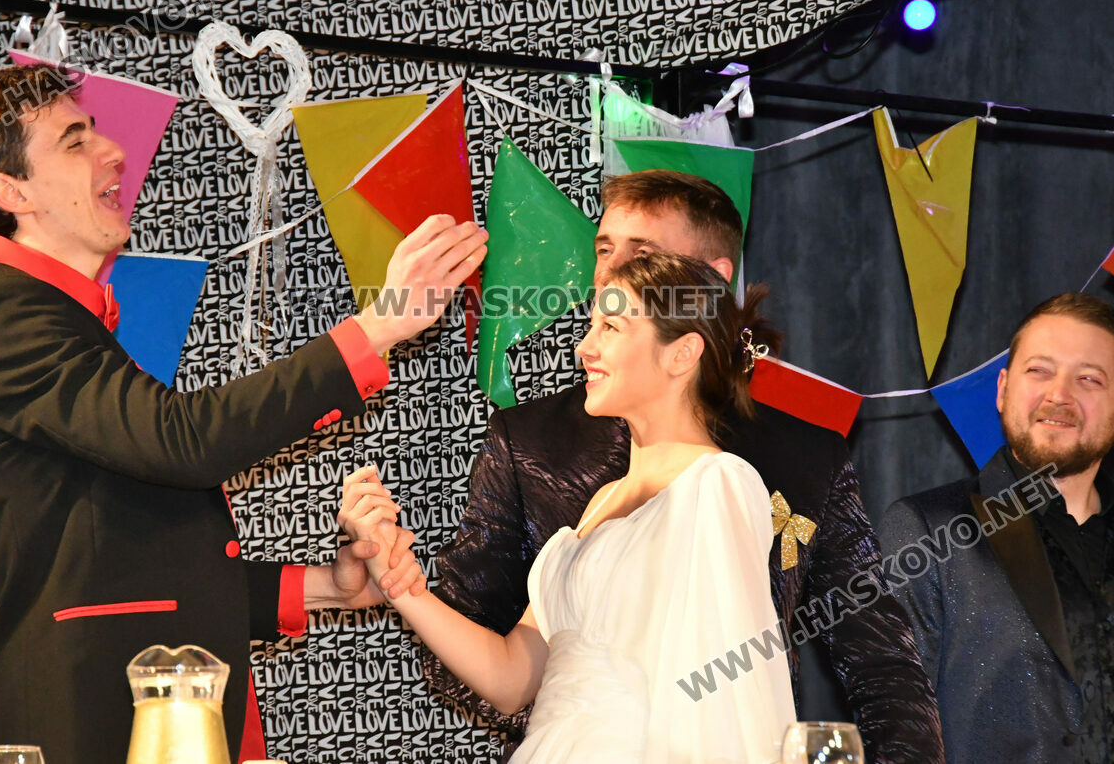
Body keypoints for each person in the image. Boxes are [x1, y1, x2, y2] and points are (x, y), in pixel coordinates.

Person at [0, 65, 487, 764]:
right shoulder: (3, 313)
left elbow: (132, 562)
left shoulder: (46, 314)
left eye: (95, 131)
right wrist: (379, 326)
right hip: (95, 713)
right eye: (74, 142)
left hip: (162, 706)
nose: (113, 152)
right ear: (12, 192)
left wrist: (329, 587)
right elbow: (183, 441)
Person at [423, 170, 944, 763]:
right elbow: (493, 650)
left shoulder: (800, 458)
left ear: (709, 285)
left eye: (642, 253)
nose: (610, 270)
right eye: (604, 248)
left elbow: (880, 659)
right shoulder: (530, 440)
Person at [343, 254, 796, 760]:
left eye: (611, 327)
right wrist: (401, 584)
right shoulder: (603, 501)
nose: (585, 347)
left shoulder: (717, 484)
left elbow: (727, 696)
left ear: (682, 353)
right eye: (591, 325)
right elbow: (513, 678)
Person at [880, 293, 1114, 764]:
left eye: (1089, 378)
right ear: (1003, 389)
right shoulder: (926, 531)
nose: (1059, 395)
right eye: (1039, 370)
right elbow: (897, 736)